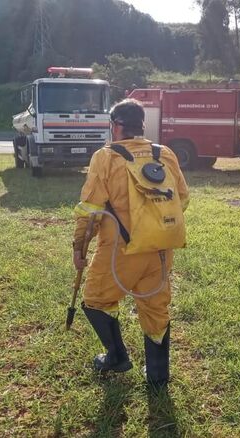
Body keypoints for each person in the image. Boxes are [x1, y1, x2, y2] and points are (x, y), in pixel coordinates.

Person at [72, 99, 190, 387]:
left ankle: (116, 357)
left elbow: (90, 209)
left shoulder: (106, 157)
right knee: (155, 308)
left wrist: (79, 247)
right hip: (162, 249)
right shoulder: (166, 154)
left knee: (96, 300)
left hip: (120, 251)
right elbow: (182, 199)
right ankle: (158, 377)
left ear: (116, 127)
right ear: (142, 126)